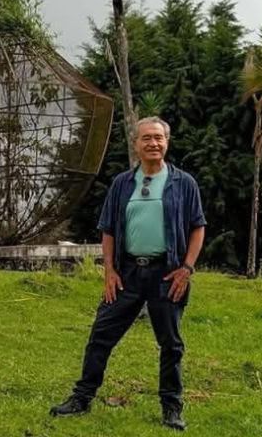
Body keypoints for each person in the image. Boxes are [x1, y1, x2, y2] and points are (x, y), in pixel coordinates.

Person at [49, 116, 206, 431]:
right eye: (146, 138)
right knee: (101, 336)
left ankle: (171, 409)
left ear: (166, 142)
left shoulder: (183, 182)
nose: (153, 143)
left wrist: (186, 268)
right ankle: (82, 398)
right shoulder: (122, 183)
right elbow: (107, 230)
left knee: (171, 344)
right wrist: (109, 271)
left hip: (167, 273)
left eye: (158, 138)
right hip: (127, 273)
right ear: (136, 144)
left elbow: (197, 226)